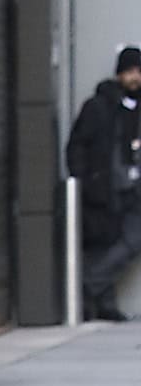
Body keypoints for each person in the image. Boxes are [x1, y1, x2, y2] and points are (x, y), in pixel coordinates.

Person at [66, 45, 141, 322]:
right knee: (103, 245)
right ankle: (102, 302)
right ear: (120, 73)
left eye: (138, 72)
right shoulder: (99, 106)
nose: (135, 77)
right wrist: (85, 180)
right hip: (104, 189)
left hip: (132, 190)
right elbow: (77, 146)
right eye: (130, 71)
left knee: (129, 242)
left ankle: (89, 284)